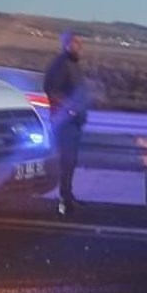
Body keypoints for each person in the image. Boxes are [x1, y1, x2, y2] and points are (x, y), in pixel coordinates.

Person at [43, 31, 90, 215]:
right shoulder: (60, 65)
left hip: (74, 121)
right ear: (66, 44)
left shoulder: (73, 65)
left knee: (70, 161)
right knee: (66, 160)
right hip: (65, 122)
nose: (79, 46)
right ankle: (65, 201)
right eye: (75, 42)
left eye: (80, 42)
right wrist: (69, 109)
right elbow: (52, 90)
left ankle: (68, 197)